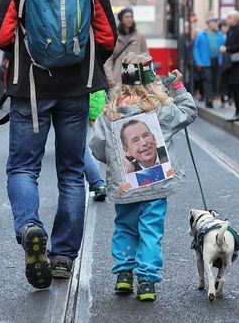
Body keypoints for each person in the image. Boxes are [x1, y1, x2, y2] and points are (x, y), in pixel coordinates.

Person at [0, 0, 117, 289]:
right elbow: (107, 37)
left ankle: (30, 225)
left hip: (30, 88)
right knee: (70, 173)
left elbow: (1, 36)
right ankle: (64, 256)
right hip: (75, 90)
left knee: (23, 168)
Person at [89, 53, 197, 302]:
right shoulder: (159, 108)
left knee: (125, 227)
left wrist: (116, 163)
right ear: (151, 80)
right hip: (156, 184)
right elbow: (189, 112)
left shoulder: (111, 111)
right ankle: (146, 280)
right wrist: (177, 86)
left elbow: (97, 146)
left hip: (126, 187)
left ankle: (124, 275)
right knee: (150, 230)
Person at [104, 7, 147, 87]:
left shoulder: (140, 36)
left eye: (131, 16)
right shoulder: (115, 36)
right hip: (118, 78)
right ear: (121, 19)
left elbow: (146, 57)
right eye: (126, 17)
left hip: (136, 77)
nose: (129, 19)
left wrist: (146, 76)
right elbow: (109, 59)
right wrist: (110, 77)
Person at [220, 10, 239, 122]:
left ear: (235, 19)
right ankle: (237, 112)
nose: (228, 20)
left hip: (237, 64)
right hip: (231, 64)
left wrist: (227, 49)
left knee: (236, 89)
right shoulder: (230, 31)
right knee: (233, 88)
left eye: (229, 18)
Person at [193, 17, 225, 108]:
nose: (216, 24)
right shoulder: (202, 35)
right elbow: (196, 48)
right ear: (209, 23)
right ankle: (209, 99)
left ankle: (212, 96)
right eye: (214, 22)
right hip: (205, 61)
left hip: (217, 60)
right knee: (208, 79)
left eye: (216, 22)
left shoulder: (220, 35)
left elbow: (224, 46)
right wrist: (198, 61)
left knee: (215, 80)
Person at [85, 89, 107, 201]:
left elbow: (94, 93)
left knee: (82, 148)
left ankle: (97, 183)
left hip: (86, 109)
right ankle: (97, 183)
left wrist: (93, 115)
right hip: (93, 108)